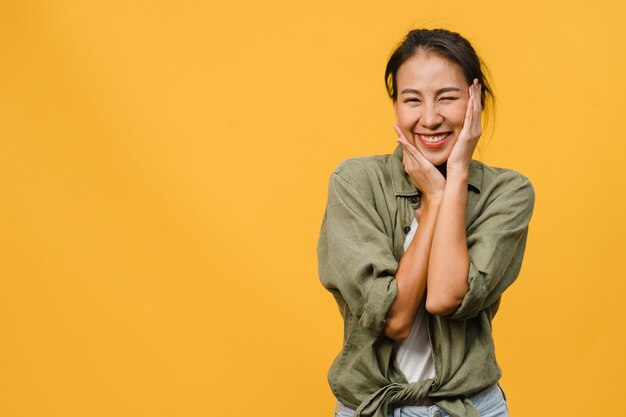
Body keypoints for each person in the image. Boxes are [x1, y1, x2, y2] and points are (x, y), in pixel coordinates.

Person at [317, 28, 535, 417]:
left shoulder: (507, 192)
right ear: (396, 105)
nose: (430, 119)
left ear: (475, 99)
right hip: (370, 407)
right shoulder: (355, 184)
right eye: (412, 100)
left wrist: (458, 172)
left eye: (448, 98)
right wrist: (433, 200)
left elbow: (445, 296)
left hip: (472, 407)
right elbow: (396, 320)